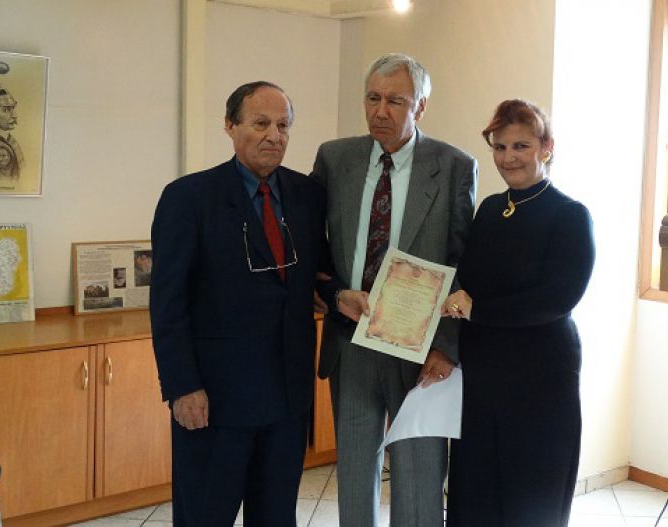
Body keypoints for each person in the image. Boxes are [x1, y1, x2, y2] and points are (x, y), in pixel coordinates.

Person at [150, 81, 327, 526]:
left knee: (276, 517)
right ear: (230, 126)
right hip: (215, 402)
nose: (274, 136)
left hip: (287, 398)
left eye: (283, 126)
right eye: (261, 123)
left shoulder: (306, 195)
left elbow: (318, 274)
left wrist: (343, 295)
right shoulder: (189, 198)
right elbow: (168, 303)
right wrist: (182, 386)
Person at [311, 53, 477, 526]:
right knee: (354, 473)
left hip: (421, 350)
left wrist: (447, 347)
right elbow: (315, 248)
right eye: (372, 98)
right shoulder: (335, 159)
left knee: (420, 477)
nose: (380, 111)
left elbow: (463, 263)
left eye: (395, 101)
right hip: (352, 340)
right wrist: (335, 294)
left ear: (420, 107)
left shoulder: (453, 166)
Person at [443, 99, 595, 527]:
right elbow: (468, 279)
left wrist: (477, 310)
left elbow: (557, 299)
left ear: (546, 147)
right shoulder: (490, 209)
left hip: (540, 378)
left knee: (531, 496)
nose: (508, 158)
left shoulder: (570, 215)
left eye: (521, 146)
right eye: (500, 147)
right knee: (476, 492)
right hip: (483, 375)